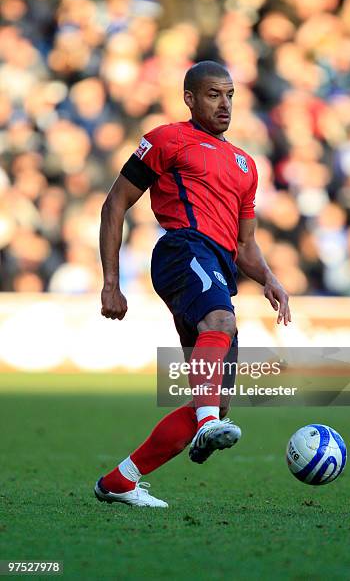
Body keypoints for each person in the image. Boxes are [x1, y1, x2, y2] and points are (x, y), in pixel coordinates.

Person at [94, 61, 291, 508]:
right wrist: (111, 282)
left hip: (219, 264)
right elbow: (115, 204)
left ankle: (120, 480)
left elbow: (244, 245)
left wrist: (270, 278)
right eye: (212, 95)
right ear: (189, 98)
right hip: (183, 249)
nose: (224, 105)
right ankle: (204, 425)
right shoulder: (166, 139)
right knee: (220, 320)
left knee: (217, 403)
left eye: (229, 95)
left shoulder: (245, 164)